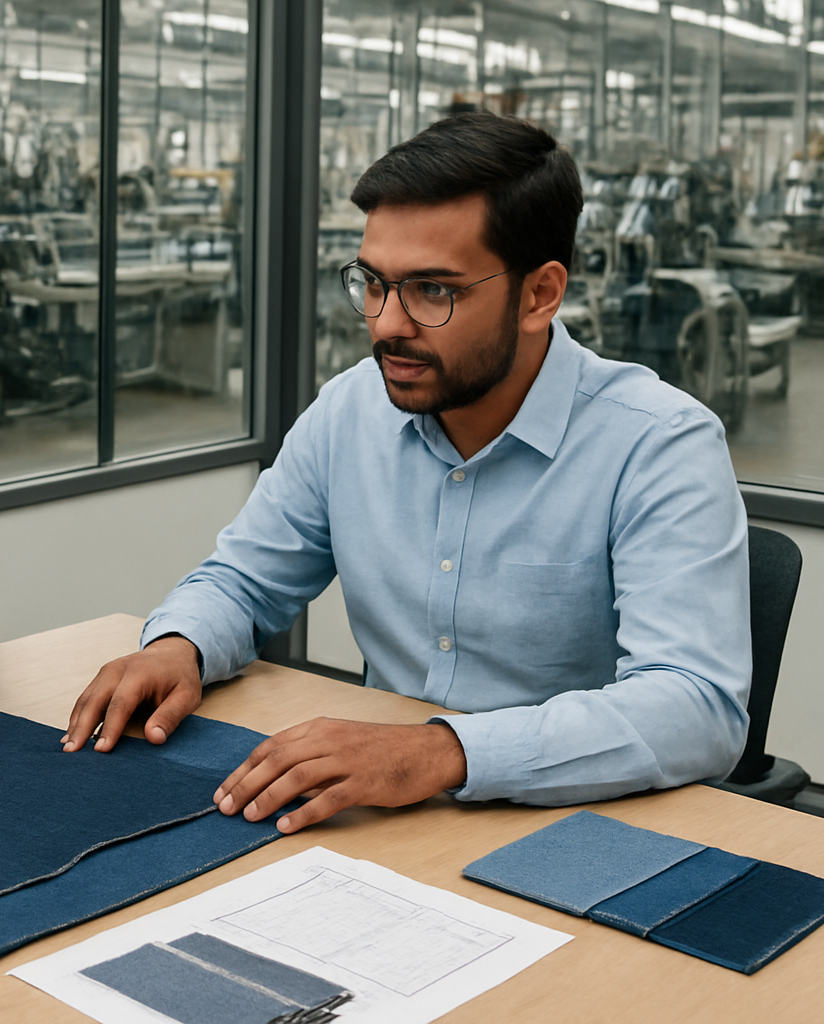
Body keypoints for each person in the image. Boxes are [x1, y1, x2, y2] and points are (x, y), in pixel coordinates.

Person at [64, 111, 750, 833]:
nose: (388, 322)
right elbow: (244, 582)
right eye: (374, 283)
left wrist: (440, 752)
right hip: (383, 817)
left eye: (434, 291)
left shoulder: (658, 443)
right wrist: (181, 646)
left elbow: (695, 706)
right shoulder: (350, 411)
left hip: (572, 828)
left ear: (540, 295)